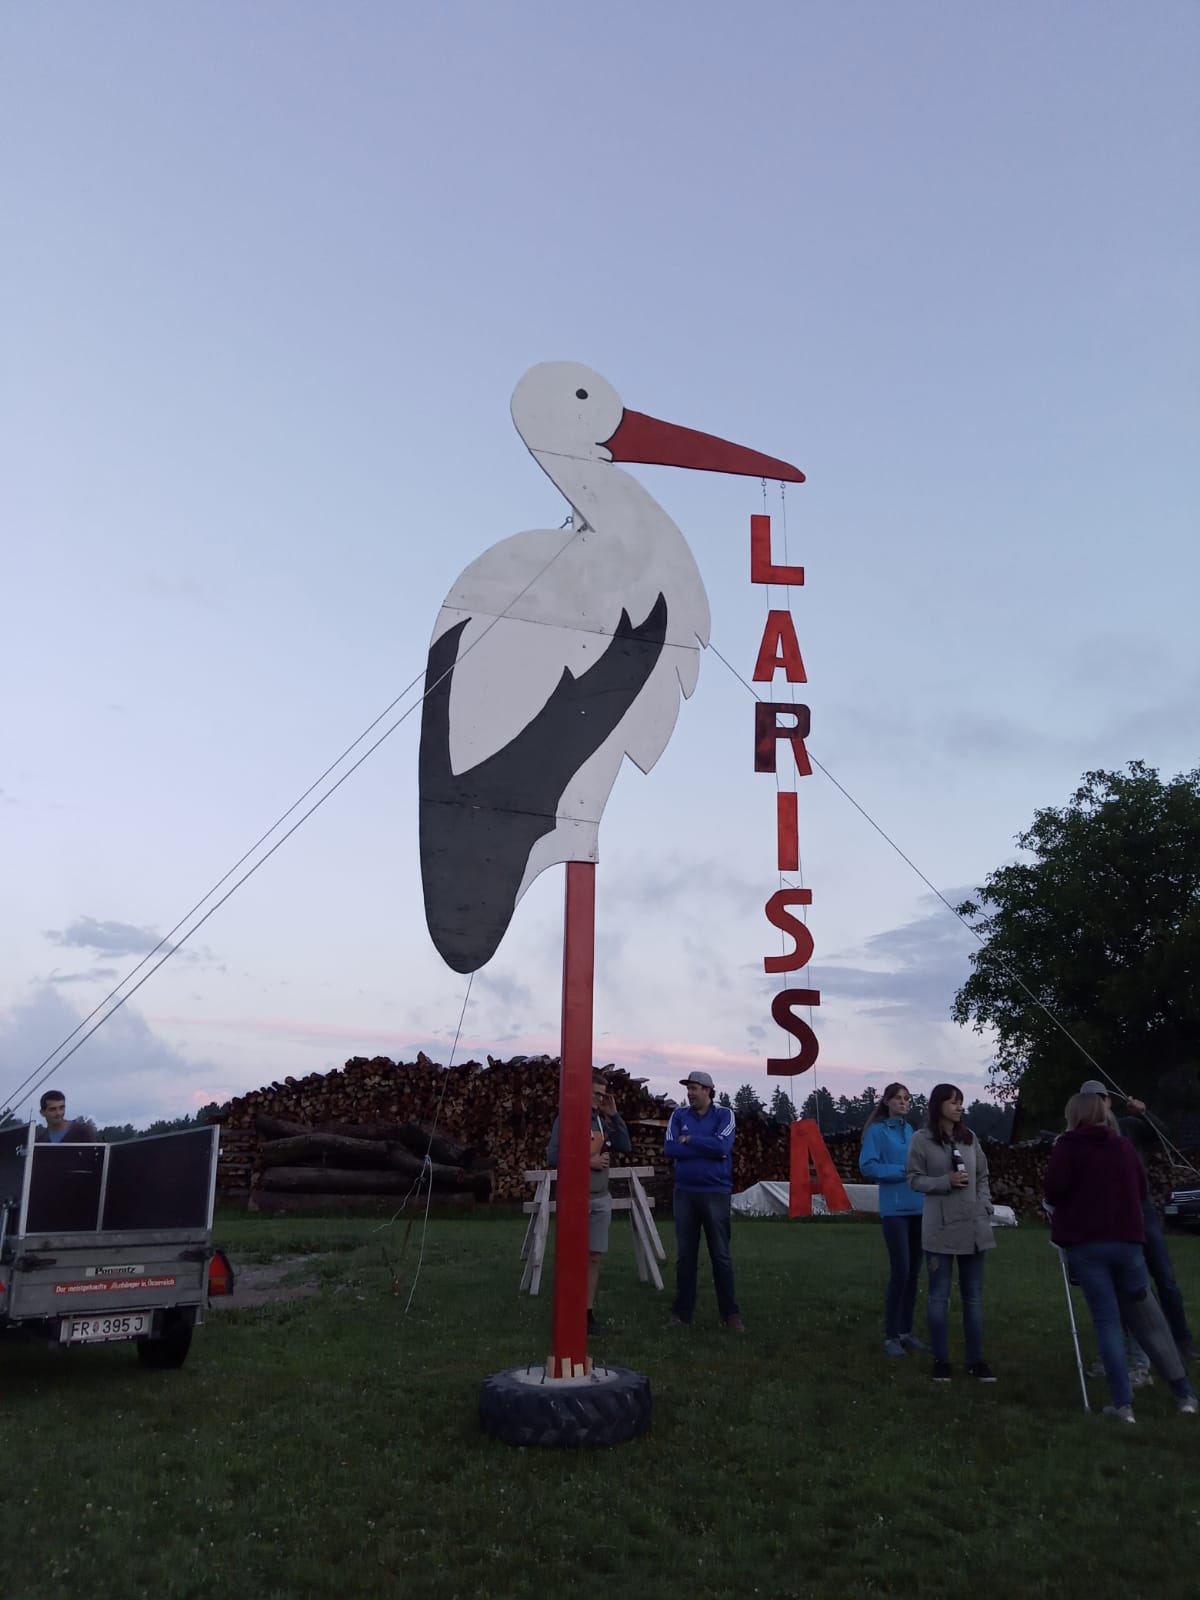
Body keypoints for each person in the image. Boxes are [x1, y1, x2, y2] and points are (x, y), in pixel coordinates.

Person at [1044, 1091, 1197, 1422]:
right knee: (1149, 1319)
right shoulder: (1123, 1146)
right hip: (1127, 1243)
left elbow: (1052, 1191)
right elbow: (1140, 1191)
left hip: (1088, 1246)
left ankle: (1123, 1405)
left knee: (1107, 1322)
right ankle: (1184, 1394)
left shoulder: (1067, 1147)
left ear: (1074, 1116)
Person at [1077, 1078, 1199, 1369]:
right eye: (1090, 1100)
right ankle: (1138, 1353)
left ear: (1109, 1102)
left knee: (1165, 1279)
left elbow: (1165, 1135)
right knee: (1130, 1287)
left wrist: (1144, 1112)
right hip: (1112, 1220)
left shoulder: (1128, 1127)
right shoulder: (1081, 1137)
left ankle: (1182, 1342)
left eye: (1101, 1098)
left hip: (1142, 1213)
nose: (1097, 1104)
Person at [906, 1083, 997, 1382]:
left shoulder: (970, 1139)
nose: (959, 1107)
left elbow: (982, 1175)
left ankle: (976, 1360)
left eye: (961, 1102)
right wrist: (944, 1181)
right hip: (940, 1229)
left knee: (973, 1297)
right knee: (938, 1297)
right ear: (938, 1105)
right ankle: (941, 1360)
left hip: (973, 1227)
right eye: (953, 1102)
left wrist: (984, 1204)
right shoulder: (922, 1140)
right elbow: (914, 1179)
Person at [546, 1069, 631, 1334]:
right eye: (595, 1094)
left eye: (602, 1096)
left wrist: (614, 1115)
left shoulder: (603, 1122)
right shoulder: (567, 1119)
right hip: (575, 1199)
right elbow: (552, 1157)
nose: (598, 1100)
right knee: (571, 1256)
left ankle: (587, 1314)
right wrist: (587, 1161)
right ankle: (567, 1311)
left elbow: (625, 1146)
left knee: (594, 1256)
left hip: (600, 1199)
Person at [664, 1070, 743, 1331]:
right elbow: (670, 1148)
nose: (689, 1092)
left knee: (720, 1254)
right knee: (685, 1256)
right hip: (685, 1192)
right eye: (688, 1088)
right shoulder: (678, 1115)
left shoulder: (724, 1115)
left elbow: (723, 1147)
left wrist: (691, 1140)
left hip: (715, 1193)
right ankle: (681, 1314)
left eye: (694, 1088)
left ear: (709, 1090)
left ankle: (730, 1314)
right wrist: (703, 1147)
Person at [859, 1083, 928, 1358]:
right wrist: (904, 1171)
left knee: (913, 1273)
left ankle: (905, 1332)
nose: (903, 1102)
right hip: (895, 1210)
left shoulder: (911, 1132)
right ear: (886, 1102)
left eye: (906, 1098)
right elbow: (868, 1166)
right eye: (898, 1098)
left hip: (919, 1207)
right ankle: (890, 1336)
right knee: (900, 1270)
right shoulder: (877, 1132)